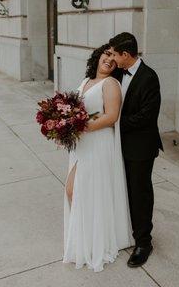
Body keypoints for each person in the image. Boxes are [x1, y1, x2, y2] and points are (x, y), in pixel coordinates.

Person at [63, 43, 134, 272]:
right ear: (99, 55)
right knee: (74, 190)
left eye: (114, 60)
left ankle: (95, 240)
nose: (109, 60)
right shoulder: (85, 82)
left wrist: (78, 126)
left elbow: (111, 117)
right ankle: (85, 236)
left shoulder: (111, 84)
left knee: (83, 191)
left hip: (99, 143)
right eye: (107, 54)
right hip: (82, 144)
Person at [108, 32, 164, 268]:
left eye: (114, 54)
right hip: (117, 144)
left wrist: (114, 121)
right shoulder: (118, 72)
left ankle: (144, 242)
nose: (111, 58)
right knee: (122, 189)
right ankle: (125, 231)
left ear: (126, 55)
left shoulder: (149, 77)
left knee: (139, 194)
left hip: (140, 146)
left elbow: (147, 117)